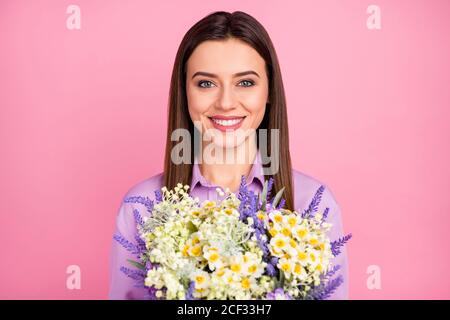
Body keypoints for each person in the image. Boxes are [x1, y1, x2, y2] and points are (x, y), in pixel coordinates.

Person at [109, 11, 348, 300]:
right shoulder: (141, 209)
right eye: (206, 83)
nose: (225, 102)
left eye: (245, 82)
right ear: (185, 92)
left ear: (269, 90)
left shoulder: (312, 203)